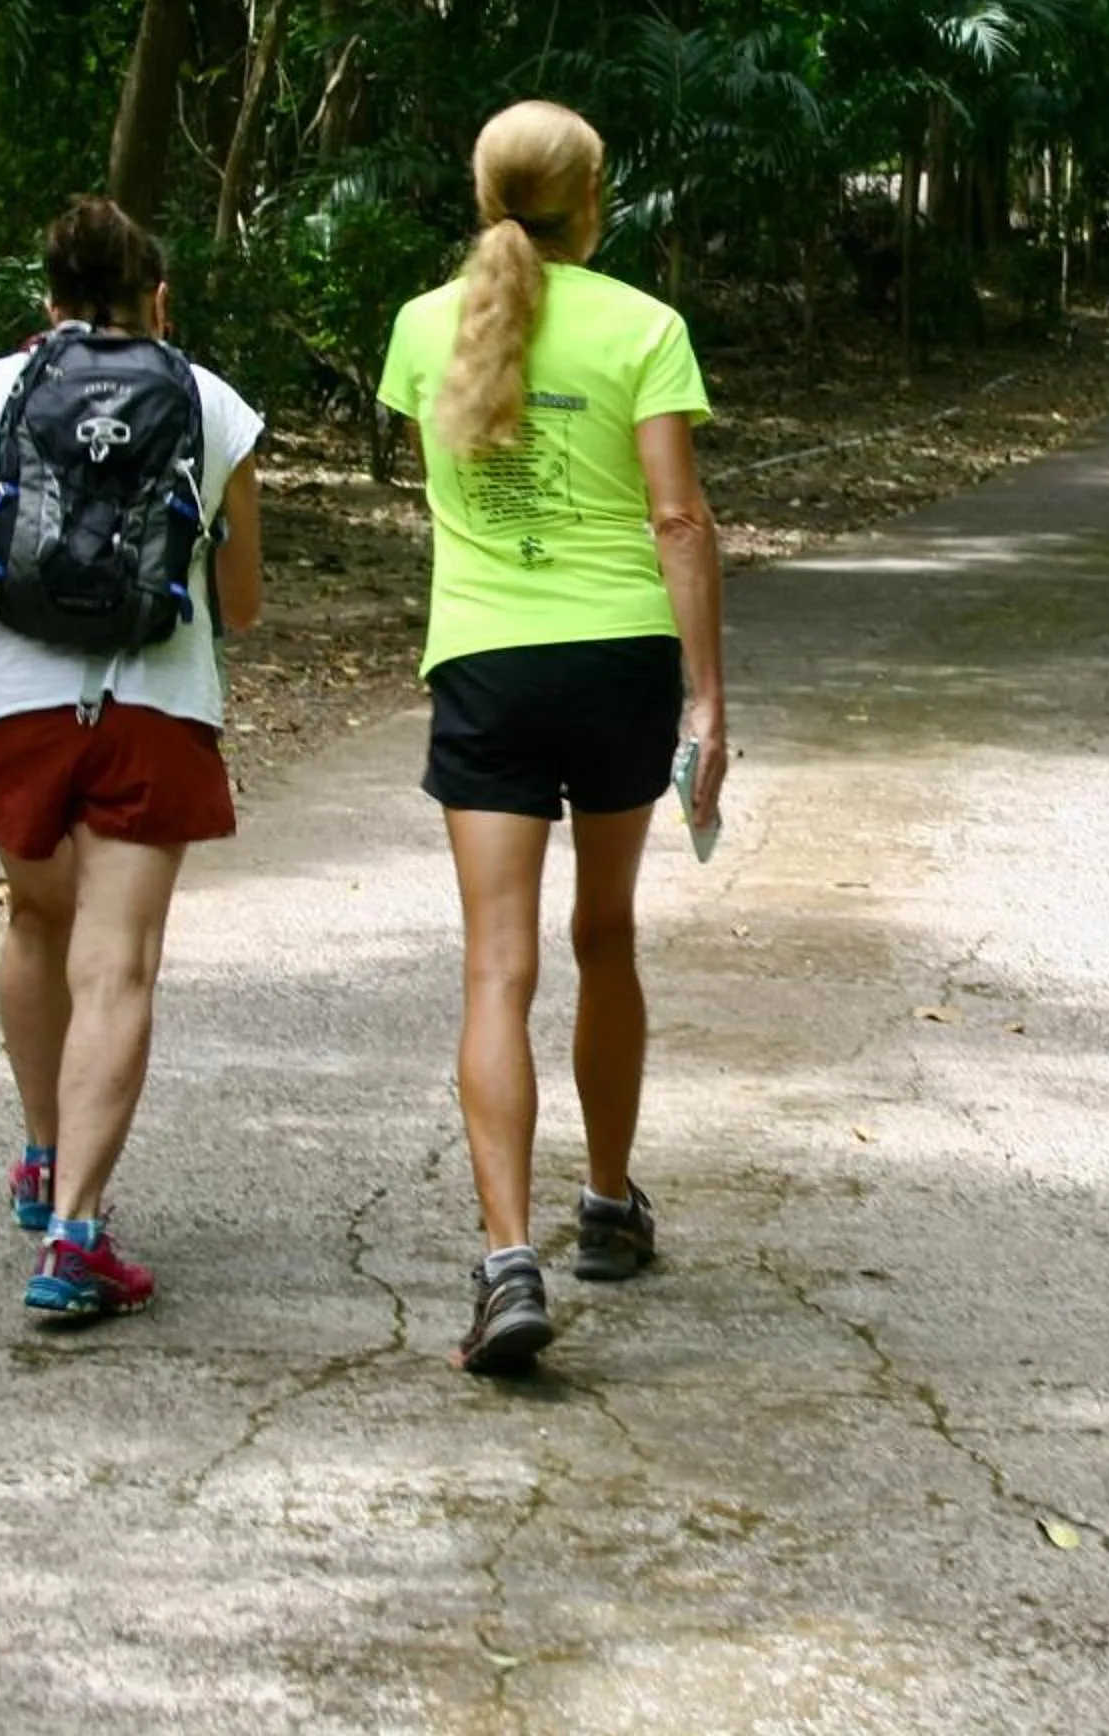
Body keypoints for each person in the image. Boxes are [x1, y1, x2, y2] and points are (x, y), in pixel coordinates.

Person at [378, 99, 728, 1379]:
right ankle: (611, 1203)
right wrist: (707, 700)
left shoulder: (425, 326)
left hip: (486, 661)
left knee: (496, 968)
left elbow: (450, 476)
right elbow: (678, 523)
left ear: (482, 196)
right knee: (606, 935)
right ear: (597, 201)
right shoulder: (644, 325)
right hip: (623, 657)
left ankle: (506, 1256)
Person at [0, 195, 265, 1320]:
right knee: (120, 962)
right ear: (159, 297)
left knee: (35, 922)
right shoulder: (212, 400)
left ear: (45, 300)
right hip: (154, 702)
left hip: (10, 704)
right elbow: (238, 606)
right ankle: (77, 1235)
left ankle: (42, 1153)